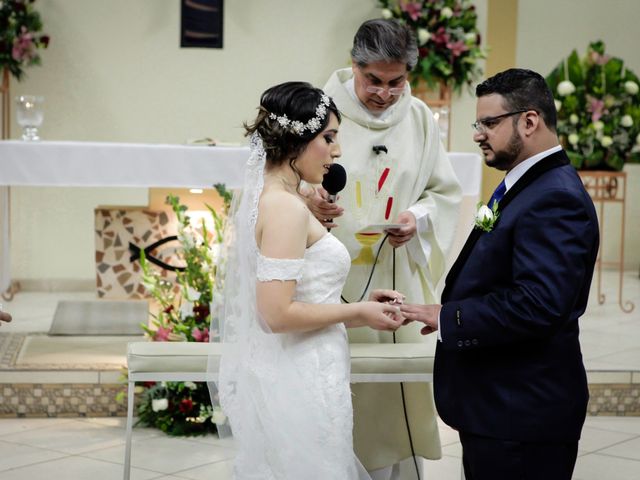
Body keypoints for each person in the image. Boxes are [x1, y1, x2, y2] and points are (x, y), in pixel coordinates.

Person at [400, 68, 599, 480]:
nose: (478, 134)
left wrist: (449, 318)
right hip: (503, 408)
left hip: (522, 415)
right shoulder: (530, 184)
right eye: (479, 123)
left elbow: (539, 304)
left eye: (489, 123)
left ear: (529, 121)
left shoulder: (555, 198)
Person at [215, 81, 405, 480]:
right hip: (303, 370)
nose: (336, 151)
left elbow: (301, 295)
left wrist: (363, 307)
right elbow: (276, 313)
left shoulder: (279, 197)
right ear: (297, 137)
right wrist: (359, 311)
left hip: (301, 361)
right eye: (329, 137)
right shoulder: (285, 208)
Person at [310, 18, 462, 478]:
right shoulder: (320, 112)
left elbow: (443, 193)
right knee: (343, 395)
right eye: (373, 79)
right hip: (334, 276)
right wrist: (310, 203)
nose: (384, 92)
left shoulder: (417, 117)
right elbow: (288, 180)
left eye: (397, 82)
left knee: (394, 401)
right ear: (352, 65)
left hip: (397, 271)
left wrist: (419, 218)